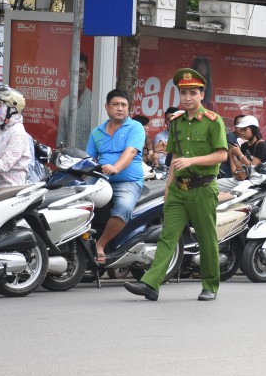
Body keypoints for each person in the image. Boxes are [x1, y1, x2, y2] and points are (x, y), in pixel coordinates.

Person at [123, 68, 227, 301]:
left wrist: (192, 161)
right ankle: (151, 284)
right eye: (183, 93)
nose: (187, 98)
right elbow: (175, 157)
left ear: (201, 94)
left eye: (192, 93)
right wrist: (169, 185)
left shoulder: (213, 121)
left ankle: (210, 285)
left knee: (206, 237)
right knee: (167, 236)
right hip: (179, 189)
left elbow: (221, 155)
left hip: (203, 187)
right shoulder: (177, 122)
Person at [86, 89, 146, 264]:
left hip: (128, 182)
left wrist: (115, 168)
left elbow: (131, 151)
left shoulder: (135, 127)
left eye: (124, 105)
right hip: (101, 180)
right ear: (106, 107)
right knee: (74, 200)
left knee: (124, 207)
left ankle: (100, 244)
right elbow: (90, 158)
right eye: (116, 104)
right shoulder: (97, 132)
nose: (120, 108)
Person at [56, 53, 93, 149]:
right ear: (69, 74)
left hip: (91, 162)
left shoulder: (94, 102)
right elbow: (61, 139)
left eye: (81, 71)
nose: (78, 76)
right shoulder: (64, 103)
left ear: (87, 74)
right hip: (70, 161)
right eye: (74, 72)